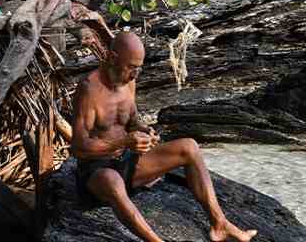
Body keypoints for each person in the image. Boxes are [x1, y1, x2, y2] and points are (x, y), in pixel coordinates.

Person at [71, 32, 257, 242]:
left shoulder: (129, 82)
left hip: (127, 162)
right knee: (112, 181)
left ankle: (219, 224)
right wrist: (123, 141)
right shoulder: (89, 89)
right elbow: (78, 147)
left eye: (139, 68)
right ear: (113, 58)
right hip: (97, 172)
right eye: (131, 67)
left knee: (190, 147)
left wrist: (145, 131)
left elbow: (132, 121)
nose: (135, 75)